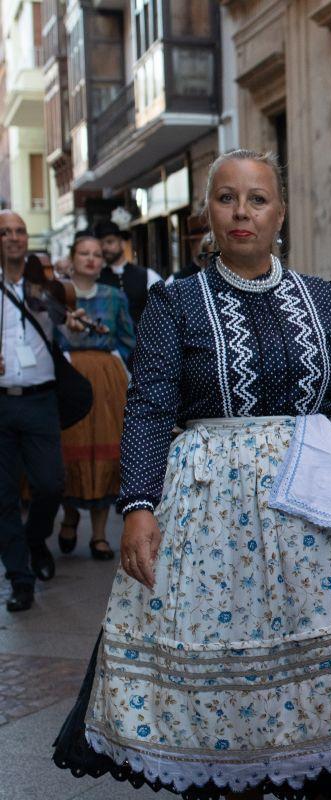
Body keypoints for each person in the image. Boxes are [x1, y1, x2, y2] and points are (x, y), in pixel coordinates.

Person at [53, 149, 331, 798]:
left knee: (328, 665)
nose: (242, 212)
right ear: (207, 215)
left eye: (257, 198)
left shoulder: (326, 299)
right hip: (210, 511)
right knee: (218, 673)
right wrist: (138, 503)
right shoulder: (176, 303)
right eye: (226, 198)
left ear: (280, 212)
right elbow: (148, 406)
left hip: (315, 511)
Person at [0, 210, 68, 610]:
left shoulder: (45, 287)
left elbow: (68, 322)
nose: (14, 237)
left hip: (41, 397)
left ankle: (33, 538)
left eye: (20, 231)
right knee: (4, 497)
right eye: (5, 232)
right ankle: (19, 578)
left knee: (50, 485)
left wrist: (74, 322)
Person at [55, 231, 135, 561]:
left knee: (106, 448)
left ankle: (100, 535)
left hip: (106, 379)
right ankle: (71, 516)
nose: (91, 259)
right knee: (69, 450)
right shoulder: (58, 295)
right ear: (72, 258)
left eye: (96, 254)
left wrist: (122, 368)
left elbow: (128, 338)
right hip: (69, 376)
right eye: (84, 253)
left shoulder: (114, 296)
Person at [95, 219, 162, 325]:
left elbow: (163, 312)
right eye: (101, 244)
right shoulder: (96, 278)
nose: (105, 248)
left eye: (110, 242)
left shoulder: (147, 275)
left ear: (122, 243)